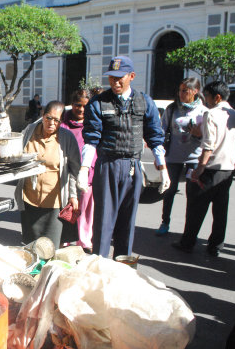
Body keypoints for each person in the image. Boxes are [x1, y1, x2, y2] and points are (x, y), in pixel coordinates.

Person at [78, 56, 170, 259]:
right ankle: (99, 267)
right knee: (103, 221)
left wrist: (163, 169)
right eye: (111, 78)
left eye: (120, 78)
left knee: (127, 221)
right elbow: (91, 139)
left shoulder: (144, 101)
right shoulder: (98, 103)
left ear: (132, 76)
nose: (115, 82)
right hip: (107, 165)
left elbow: (155, 137)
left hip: (133, 166)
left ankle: (123, 268)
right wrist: (84, 170)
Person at [172, 81, 235, 256]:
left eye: (206, 96)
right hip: (228, 169)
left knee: (196, 208)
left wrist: (200, 168)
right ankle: (216, 245)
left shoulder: (211, 115)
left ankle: (188, 242)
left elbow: (208, 146)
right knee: (221, 211)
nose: (205, 101)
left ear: (217, 97)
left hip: (210, 168)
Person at [15, 100, 81, 248]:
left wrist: (73, 195)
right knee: (31, 245)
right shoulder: (28, 132)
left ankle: (48, 271)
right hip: (30, 199)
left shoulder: (67, 138)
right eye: (49, 118)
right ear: (42, 115)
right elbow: (17, 155)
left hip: (54, 204)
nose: (52, 123)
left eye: (56, 120)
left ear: (61, 121)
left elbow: (74, 170)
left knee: (51, 247)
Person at [156, 78, 208, 236]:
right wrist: (158, 155)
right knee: (169, 191)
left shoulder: (203, 111)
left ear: (195, 92)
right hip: (172, 157)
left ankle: (189, 229)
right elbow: (161, 130)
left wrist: (199, 135)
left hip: (194, 159)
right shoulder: (172, 109)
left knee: (193, 195)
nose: (181, 94)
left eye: (185, 90)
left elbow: (209, 137)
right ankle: (165, 222)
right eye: (180, 90)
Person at [60, 89, 96, 253]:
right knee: (67, 207)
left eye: (84, 106)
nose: (81, 109)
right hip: (66, 173)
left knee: (86, 208)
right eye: (77, 105)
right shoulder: (62, 122)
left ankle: (84, 240)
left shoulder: (93, 123)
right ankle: (65, 239)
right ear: (72, 105)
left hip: (87, 173)